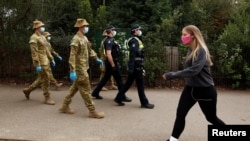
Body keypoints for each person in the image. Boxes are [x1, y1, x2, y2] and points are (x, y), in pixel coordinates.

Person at [162, 25, 226, 141]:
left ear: (193, 36)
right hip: (190, 89)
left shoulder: (202, 50)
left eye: (185, 34)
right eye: (182, 34)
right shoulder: (190, 50)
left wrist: (173, 75)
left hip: (205, 91)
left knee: (211, 118)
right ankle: (173, 139)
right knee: (180, 113)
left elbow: (194, 70)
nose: (182, 37)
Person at [59, 18, 104, 119]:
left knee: (74, 88)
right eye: (85, 26)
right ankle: (92, 111)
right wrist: (72, 70)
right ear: (80, 27)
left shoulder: (84, 38)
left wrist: (96, 58)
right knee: (86, 89)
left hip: (84, 66)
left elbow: (89, 50)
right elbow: (72, 56)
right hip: (79, 69)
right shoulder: (76, 39)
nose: (87, 28)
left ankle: (64, 106)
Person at [114, 24, 154, 109]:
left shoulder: (135, 40)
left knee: (128, 83)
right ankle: (144, 102)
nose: (140, 31)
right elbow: (133, 54)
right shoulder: (134, 41)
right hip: (136, 65)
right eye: (139, 29)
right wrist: (131, 67)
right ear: (135, 31)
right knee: (140, 84)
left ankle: (119, 98)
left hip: (136, 64)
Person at [91, 25, 132, 103]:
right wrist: (113, 65)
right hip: (112, 63)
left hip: (110, 62)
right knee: (119, 80)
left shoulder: (110, 40)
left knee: (105, 78)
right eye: (113, 30)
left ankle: (95, 92)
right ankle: (122, 96)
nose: (114, 31)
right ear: (110, 31)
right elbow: (108, 54)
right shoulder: (108, 41)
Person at [23, 20, 56, 105]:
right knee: (46, 79)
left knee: (41, 79)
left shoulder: (42, 37)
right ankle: (47, 97)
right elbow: (34, 52)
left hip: (46, 61)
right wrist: (37, 64)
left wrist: (51, 59)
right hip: (41, 62)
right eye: (42, 26)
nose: (43, 28)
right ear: (37, 27)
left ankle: (28, 90)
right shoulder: (33, 38)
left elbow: (46, 49)